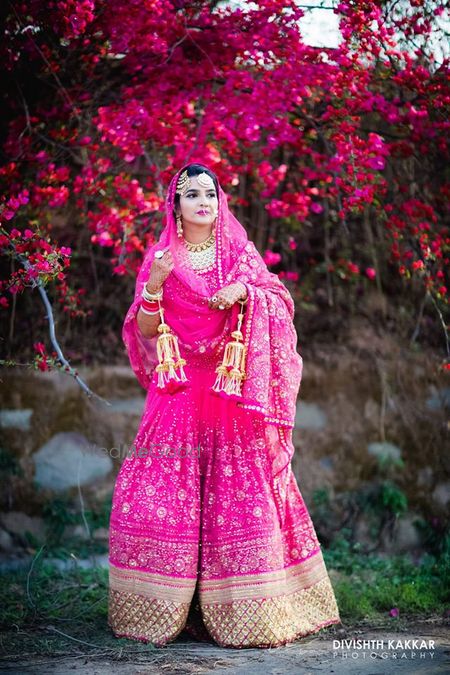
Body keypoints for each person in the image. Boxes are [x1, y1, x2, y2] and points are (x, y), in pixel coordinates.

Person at [107, 162, 341, 649]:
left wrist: (247, 290)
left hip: (230, 388)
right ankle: (165, 608)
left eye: (210, 193)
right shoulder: (160, 257)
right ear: (176, 205)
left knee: (238, 498)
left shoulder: (238, 253)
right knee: (160, 493)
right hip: (179, 390)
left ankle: (249, 612)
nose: (203, 202)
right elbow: (146, 331)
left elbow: (277, 298)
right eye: (192, 194)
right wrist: (154, 285)